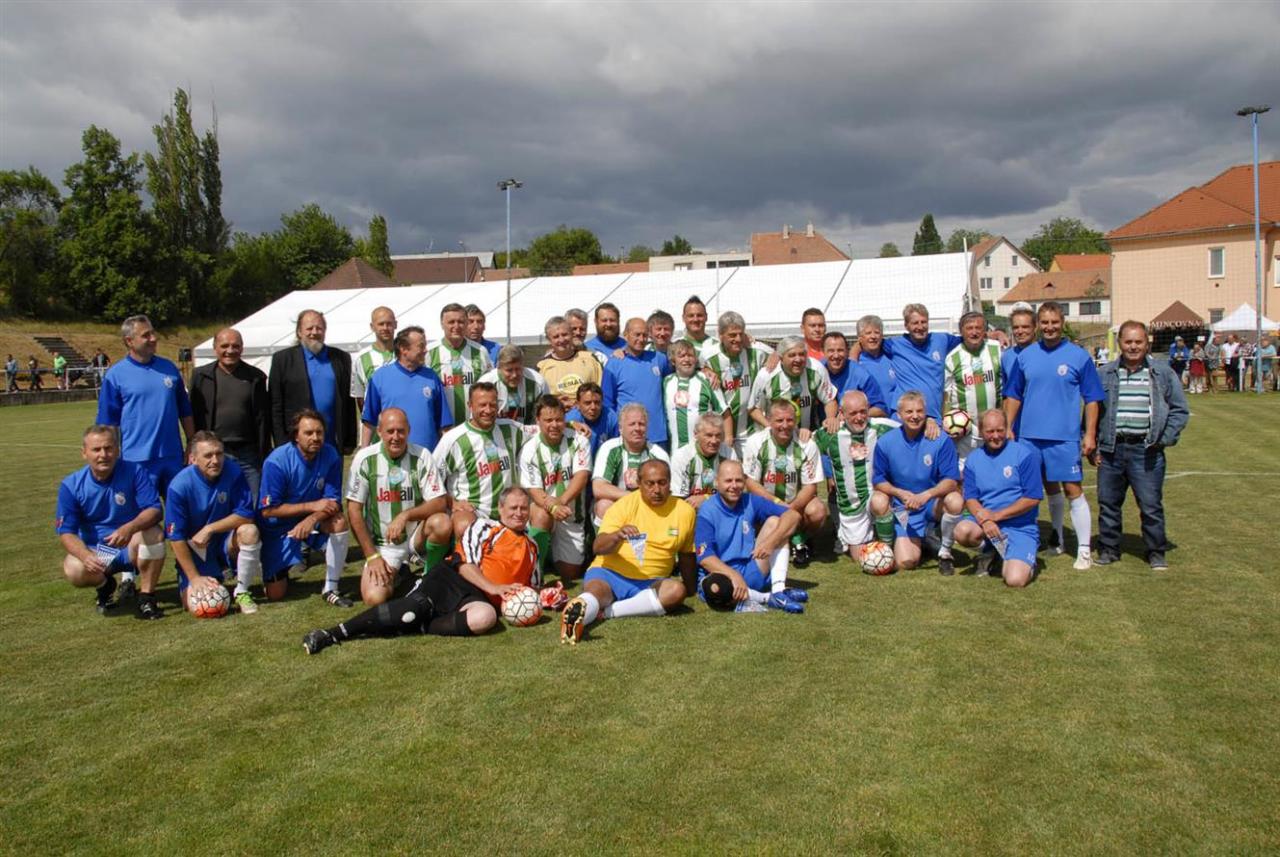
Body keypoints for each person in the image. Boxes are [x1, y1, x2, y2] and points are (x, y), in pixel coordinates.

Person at [302, 487, 540, 653]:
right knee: (412, 610)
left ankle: (423, 625)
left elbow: (530, 586)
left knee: (485, 619)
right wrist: (494, 588)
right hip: (451, 580)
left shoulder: (532, 547)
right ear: (500, 508)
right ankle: (333, 633)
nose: (519, 513)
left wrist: (545, 596)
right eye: (513, 507)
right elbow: (463, 564)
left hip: (477, 599)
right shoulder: (484, 527)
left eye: (523, 508)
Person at [1004, 301, 1104, 569]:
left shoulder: (1078, 356)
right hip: (1029, 438)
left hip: (1064, 438)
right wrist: (1008, 427)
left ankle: (1084, 550)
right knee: (1041, 489)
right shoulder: (1025, 356)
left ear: (1062, 323)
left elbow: (1092, 398)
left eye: (1055, 322)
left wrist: (1090, 434)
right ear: (1038, 325)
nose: (1050, 327)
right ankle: (1056, 538)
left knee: (1072, 489)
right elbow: (1013, 394)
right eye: (1045, 323)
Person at [560, 460, 696, 645]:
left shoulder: (684, 511)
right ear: (639, 484)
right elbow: (598, 547)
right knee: (595, 594)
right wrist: (617, 535)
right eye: (650, 483)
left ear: (670, 482)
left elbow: (687, 554)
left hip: (652, 582)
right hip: (610, 574)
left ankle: (608, 612)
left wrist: (690, 589)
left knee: (676, 591)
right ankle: (576, 616)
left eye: (662, 483)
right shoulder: (623, 506)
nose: (656, 489)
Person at [1093, 321, 1189, 570]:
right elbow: (1092, 412)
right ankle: (1109, 549)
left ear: (1147, 343)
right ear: (1120, 344)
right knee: (1108, 504)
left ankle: (1156, 551)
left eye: (1138, 341)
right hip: (1112, 449)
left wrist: (1164, 438)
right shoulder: (1104, 373)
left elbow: (1179, 410)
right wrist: (1092, 444)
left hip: (1146, 451)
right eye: (1128, 342)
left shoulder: (1163, 373)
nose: (1133, 346)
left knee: (1150, 505)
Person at [56, 425, 166, 618]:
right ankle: (105, 585)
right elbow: (66, 532)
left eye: (108, 448)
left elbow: (155, 510)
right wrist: (85, 556)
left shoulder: (135, 471)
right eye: (96, 449)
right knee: (73, 568)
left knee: (154, 533)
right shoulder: (71, 485)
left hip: (130, 546)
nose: (103, 455)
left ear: (117, 450)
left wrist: (130, 528)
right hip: (100, 552)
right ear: (84, 453)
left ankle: (146, 597)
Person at [346, 408, 448, 606]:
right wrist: (372, 556)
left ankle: (429, 576)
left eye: (401, 431)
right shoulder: (365, 459)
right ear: (379, 432)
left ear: (409, 430)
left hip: (415, 538)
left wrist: (405, 515)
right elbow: (353, 510)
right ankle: (401, 573)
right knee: (374, 598)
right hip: (384, 545)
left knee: (442, 522)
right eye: (390, 431)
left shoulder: (422, 455)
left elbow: (439, 502)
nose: (396, 437)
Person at [258, 408, 351, 606]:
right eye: (308, 433)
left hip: (313, 521)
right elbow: (268, 510)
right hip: (279, 528)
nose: (315, 438)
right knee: (275, 594)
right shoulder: (277, 462)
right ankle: (278, 565)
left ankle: (331, 588)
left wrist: (311, 519)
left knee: (339, 522)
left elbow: (333, 502)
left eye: (319, 432)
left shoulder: (330, 454)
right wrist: (311, 507)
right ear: (296, 436)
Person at [424, 382, 526, 563]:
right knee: (464, 525)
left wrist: (571, 424)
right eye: (482, 405)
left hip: (507, 511)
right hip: (474, 512)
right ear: (470, 405)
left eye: (492, 405)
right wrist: (452, 502)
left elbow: (544, 428)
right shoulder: (453, 439)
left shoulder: (511, 429)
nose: (488, 410)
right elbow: (431, 480)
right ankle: (436, 568)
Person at [165, 431, 263, 614]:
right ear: (193, 459)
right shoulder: (179, 486)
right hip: (197, 551)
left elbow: (246, 514)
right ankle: (204, 576)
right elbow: (176, 538)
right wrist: (194, 578)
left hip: (225, 543)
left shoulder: (233, 471)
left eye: (219, 454)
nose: (215, 460)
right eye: (208, 455)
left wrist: (210, 529)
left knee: (249, 531)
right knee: (196, 606)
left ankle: (242, 592)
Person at [97, 315, 195, 496]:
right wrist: (110, 455)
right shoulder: (115, 375)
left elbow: (185, 409)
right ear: (129, 341)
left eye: (153, 333)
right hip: (136, 460)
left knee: (181, 508)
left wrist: (191, 442)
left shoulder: (169, 368)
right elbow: (108, 422)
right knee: (146, 511)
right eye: (146, 335)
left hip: (172, 456)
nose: (153, 338)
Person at [695, 460, 808, 613]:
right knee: (715, 588)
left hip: (752, 567)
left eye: (738, 480)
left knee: (776, 523)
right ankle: (767, 598)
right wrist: (733, 575)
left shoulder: (750, 501)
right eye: (728, 481)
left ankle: (779, 590)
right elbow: (705, 558)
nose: (734, 486)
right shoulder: (707, 510)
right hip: (722, 575)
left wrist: (771, 542)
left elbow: (793, 515)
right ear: (717, 482)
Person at [871, 390, 963, 574]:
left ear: (926, 413)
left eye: (919, 411)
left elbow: (952, 480)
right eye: (909, 412)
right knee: (907, 562)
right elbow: (878, 480)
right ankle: (909, 541)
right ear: (899, 415)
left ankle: (945, 553)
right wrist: (899, 493)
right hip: (904, 507)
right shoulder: (886, 442)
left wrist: (926, 495)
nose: (915, 416)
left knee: (955, 500)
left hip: (931, 504)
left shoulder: (940, 440)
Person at [951, 410, 1043, 587]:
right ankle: (990, 550)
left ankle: (1020, 557)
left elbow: (1032, 498)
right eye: (990, 431)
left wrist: (996, 516)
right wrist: (985, 520)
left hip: (1020, 526)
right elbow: (970, 498)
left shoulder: (1024, 454)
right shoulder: (973, 459)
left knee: (1015, 580)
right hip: (986, 522)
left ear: (1007, 429)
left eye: (1000, 430)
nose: (995, 436)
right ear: (981, 431)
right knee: (962, 531)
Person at [812, 391, 897, 560]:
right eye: (853, 413)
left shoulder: (882, 427)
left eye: (863, 412)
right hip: (851, 505)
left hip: (876, 495)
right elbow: (803, 444)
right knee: (859, 557)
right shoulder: (830, 434)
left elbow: (912, 426)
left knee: (880, 501)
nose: (859, 417)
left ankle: (887, 550)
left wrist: (930, 422)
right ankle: (866, 537)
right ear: (842, 414)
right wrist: (804, 433)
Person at [741, 398, 826, 567]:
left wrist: (791, 508)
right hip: (765, 504)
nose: (785, 425)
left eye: (790, 420)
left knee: (818, 511)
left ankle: (801, 539)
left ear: (796, 421)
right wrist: (777, 505)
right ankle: (781, 539)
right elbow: (751, 483)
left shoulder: (807, 445)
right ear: (769, 420)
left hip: (796, 505)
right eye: (779, 420)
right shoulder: (755, 442)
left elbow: (810, 486)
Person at [190, 327, 273, 497]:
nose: (230, 350)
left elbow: (263, 418)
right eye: (224, 346)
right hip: (214, 452)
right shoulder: (201, 376)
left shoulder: (256, 377)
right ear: (215, 348)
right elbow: (193, 413)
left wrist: (264, 451)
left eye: (235, 346)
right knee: (216, 500)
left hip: (248, 453)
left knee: (253, 500)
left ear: (242, 348)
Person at [519, 395, 593, 581]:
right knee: (542, 515)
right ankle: (536, 571)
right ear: (538, 421)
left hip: (570, 514)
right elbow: (534, 491)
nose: (554, 425)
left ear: (565, 419)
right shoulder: (530, 449)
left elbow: (581, 476)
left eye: (559, 420)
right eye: (548, 420)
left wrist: (561, 501)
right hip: (544, 510)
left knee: (571, 573)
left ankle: (549, 551)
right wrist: (553, 507)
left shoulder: (579, 441)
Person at [859, 304, 962, 431]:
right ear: (906, 326)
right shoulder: (895, 344)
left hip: (933, 418)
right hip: (902, 418)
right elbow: (869, 341)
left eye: (923, 322)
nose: (920, 327)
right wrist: (853, 358)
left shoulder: (941, 340)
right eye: (915, 323)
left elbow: (967, 339)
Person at [268, 309, 357, 454]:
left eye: (319, 328)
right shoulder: (282, 360)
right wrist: (281, 443)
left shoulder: (341, 358)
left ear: (325, 331)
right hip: (296, 444)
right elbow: (275, 406)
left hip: (331, 442)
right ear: (299, 332)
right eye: (309, 328)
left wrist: (350, 440)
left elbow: (348, 402)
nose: (314, 332)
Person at [360, 326, 451, 450]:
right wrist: (363, 452)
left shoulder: (432, 377)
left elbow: (443, 423)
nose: (425, 350)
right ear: (403, 349)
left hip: (427, 456)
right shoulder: (379, 378)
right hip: (393, 456)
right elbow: (369, 421)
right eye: (421, 346)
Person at [701, 311, 770, 454]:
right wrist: (704, 369)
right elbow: (694, 369)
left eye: (740, 334)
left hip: (752, 432)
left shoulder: (757, 351)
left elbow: (783, 353)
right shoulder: (708, 357)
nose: (738, 339)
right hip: (721, 433)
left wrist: (776, 355)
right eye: (732, 335)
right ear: (720, 335)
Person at [943, 311, 1003, 470]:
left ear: (985, 330)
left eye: (978, 328)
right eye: (969, 328)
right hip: (966, 429)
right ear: (961, 331)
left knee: (995, 467)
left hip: (995, 427)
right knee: (966, 469)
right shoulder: (952, 358)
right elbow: (946, 395)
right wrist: (948, 424)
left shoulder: (997, 349)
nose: (974, 332)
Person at [592, 402, 670, 522]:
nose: (637, 428)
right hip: (620, 505)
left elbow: (667, 491)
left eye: (641, 424)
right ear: (621, 428)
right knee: (603, 505)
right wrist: (634, 497)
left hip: (650, 506)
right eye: (632, 424)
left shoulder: (659, 454)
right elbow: (598, 488)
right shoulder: (609, 448)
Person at [747, 335, 838, 437]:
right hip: (774, 436)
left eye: (802, 354)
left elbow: (830, 400)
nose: (798, 359)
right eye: (792, 355)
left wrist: (830, 418)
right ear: (781, 358)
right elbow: (753, 408)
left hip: (806, 435)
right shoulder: (766, 375)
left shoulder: (817, 369)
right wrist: (771, 427)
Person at [603, 317, 672, 445]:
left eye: (645, 335)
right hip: (628, 437)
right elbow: (607, 403)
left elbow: (676, 379)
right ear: (626, 335)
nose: (641, 339)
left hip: (658, 436)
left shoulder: (659, 359)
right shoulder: (614, 364)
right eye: (637, 334)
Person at [426, 302, 493, 427]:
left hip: (473, 426)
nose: (456, 326)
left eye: (461, 322)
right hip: (441, 428)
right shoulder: (430, 352)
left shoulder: (480, 351)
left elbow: (489, 388)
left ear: (466, 323)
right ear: (442, 324)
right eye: (451, 322)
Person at [664, 339, 730, 450]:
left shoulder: (708, 380)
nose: (687, 359)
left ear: (695, 359)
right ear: (673, 361)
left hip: (703, 449)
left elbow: (725, 413)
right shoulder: (666, 382)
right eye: (682, 356)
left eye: (690, 355)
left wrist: (728, 441)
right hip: (675, 450)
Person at [670, 413, 737, 508]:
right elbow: (678, 498)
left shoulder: (729, 454)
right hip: (691, 509)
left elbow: (736, 491)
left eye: (718, 435)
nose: (714, 441)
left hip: (721, 509)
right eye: (709, 435)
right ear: (696, 434)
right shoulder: (682, 457)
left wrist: (707, 499)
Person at [537, 315, 603, 408]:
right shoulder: (542, 366)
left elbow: (603, 391)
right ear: (549, 340)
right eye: (556, 337)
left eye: (565, 334)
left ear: (572, 334)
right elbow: (539, 402)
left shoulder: (590, 359)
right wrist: (557, 403)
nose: (561, 340)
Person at [479, 344, 549, 424]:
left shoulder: (538, 382)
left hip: (528, 430)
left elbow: (546, 417)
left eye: (518, 369)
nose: (514, 375)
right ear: (499, 367)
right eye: (509, 370)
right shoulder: (485, 383)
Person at [822, 332, 888, 416]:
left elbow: (880, 409)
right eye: (831, 351)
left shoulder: (861, 375)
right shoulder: (817, 371)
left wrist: (854, 416)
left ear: (847, 351)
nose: (836, 356)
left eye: (840, 350)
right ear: (823, 351)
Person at [351, 306, 397, 415]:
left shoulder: (406, 354)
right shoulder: (360, 358)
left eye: (389, 323)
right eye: (381, 324)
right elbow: (360, 397)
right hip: (375, 422)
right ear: (372, 327)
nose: (385, 328)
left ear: (395, 324)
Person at [1001, 304, 1037, 436]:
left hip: (1039, 421)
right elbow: (1006, 395)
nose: (1020, 331)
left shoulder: (1043, 354)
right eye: (1016, 327)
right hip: (1016, 426)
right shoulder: (1007, 356)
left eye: (1025, 327)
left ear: (1035, 328)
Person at [852, 315, 898, 413]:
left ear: (882, 336)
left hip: (895, 418)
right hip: (870, 419)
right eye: (868, 333)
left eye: (877, 332)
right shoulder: (856, 363)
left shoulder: (892, 359)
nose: (873, 337)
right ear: (859, 338)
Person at [565, 381, 617, 459]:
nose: (593, 407)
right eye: (588, 403)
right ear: (577, 404)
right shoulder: (571, 418)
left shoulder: (610, 417)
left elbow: (617, 446)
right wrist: (570, 424)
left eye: (597, 402)